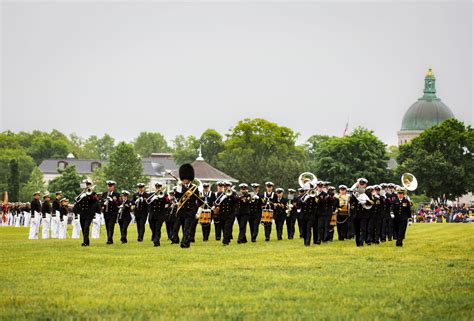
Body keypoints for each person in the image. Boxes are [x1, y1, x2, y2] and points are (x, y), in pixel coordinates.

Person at [172, 163, 204, 248]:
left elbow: (200, 201)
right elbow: (178, 197)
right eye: (183, 179)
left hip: (190, 211)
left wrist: (199, 213)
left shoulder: (194, 188)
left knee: (187, 227)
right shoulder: (180, 187)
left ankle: (184, 242)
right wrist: (178, 187)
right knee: (183, 228)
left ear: (189, 179)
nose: (184, 181)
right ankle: (186, 241)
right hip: (182, 210)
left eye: (186, 179)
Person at [350, 178, 374, 247]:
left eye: (362, 184)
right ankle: (357, 243)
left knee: (363, 229)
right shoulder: (355, 193)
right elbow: (351, 201)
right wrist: (353, 194)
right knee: (356, 230)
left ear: (365, 185)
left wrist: (365, 201)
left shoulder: (368, 193)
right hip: (356, 214)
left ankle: (361, 242)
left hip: (364, 214)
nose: (361, 186)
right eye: (360, 184)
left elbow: (372, 202)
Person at [76, 179, 98, 246]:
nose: (87, 186)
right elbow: (77, 201)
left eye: (88, 184)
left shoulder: (92, 193)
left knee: (86, 227)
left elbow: (95, 200)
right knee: (83, 227)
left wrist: (89, 195)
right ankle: (86, 241)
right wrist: (82, 195)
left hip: (89, 213)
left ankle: (85, 242)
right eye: (86, 184)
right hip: (82, 213)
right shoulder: (82, 193)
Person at [147, 182, 170, 247]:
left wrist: (163, 195)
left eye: (159, 187)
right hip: (152, 214)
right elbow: (147, 201)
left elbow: (168, 201)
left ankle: (156, 241)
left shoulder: (164, 195)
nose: (158, 188)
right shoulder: (151, 194)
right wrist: (154, 196)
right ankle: (154, 236)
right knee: (152, 227)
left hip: (160, 215)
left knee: (158, 228)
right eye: (157, 187)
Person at [101, 180, 121, 245]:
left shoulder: (117, 194)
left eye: (111, 186)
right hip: (106, 213)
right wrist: (103, 204)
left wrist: (113, 200)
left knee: (111, 226)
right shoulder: (104, 194)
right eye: (108, 186)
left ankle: (109, 239)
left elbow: (119, 203)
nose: (109, 187)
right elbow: (100, 202)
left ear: (113, 186)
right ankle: (109, 238)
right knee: (107, 226)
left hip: (113, 213)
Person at [218, 181, 238, 246]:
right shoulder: (220, 194)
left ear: (230, 186)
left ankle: (225, 241)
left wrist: (231, 194)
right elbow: (217, 202)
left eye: (227, 186)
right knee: (223, 227)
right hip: (222, 214)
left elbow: (236, 200)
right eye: (225, 186)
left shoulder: (233, 193)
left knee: (227, 227)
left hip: (230, 214)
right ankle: (228, 238)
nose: (226, 187)